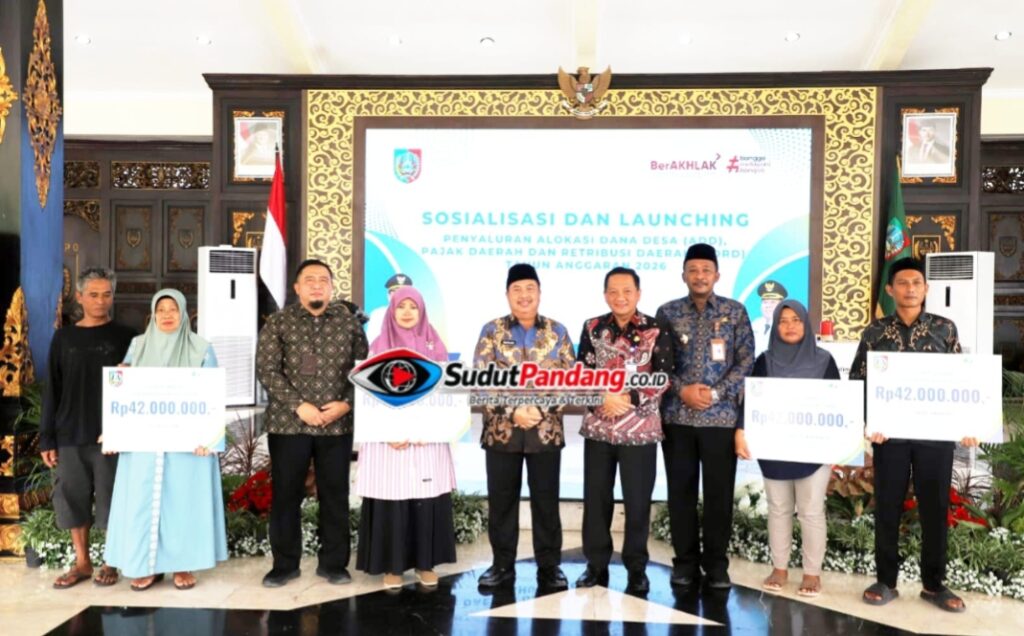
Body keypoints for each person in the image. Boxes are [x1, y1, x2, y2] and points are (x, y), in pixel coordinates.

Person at [850, 257, 977, 612]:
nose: (910, 289)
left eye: (916, 283)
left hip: (935, 435)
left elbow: (961, 380)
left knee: (935, 508)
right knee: (887, 505)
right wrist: (868, 423)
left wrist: (969, 423)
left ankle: (934, 585)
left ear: (926, 288)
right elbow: (858, 380)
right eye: (903, 283)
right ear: (890, 290)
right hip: (889, 437)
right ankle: (885, 580)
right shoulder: (874, 332)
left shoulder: (944, 329)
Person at [103, 289, 227, 591]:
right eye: (161, 310)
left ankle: (181, 565)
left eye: (173, 309)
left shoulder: (201, 348)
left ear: (183, 313)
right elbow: (123, 389)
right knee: (141, 504)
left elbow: (211, 396)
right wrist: (114, 428)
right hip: (144, 443)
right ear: (153, 315)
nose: (167, 315)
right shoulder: (138, 345)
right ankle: (146, 566)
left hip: (188, 446)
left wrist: (210, 439)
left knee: (182, 502)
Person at [256, 259, 369, 587]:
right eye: (310, 280)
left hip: (336, 424)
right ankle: (284, 565)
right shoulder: (279, 322)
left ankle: (333, 564)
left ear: (332, 287)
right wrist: (298, 405)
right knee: (285, 496)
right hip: (289, 424)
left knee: (335, 495)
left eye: (323, 280)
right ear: (297, 288)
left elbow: (365, 369)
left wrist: (347, 403)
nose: (317, 285)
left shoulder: (348, 324)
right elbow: (266, 369)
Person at [656, 243, 755, 589]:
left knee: (718, 496)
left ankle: (716, 566)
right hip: (677, 419)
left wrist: (715, 393)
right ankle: (684, 563)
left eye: (706, 270)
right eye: (693, 270)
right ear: (683, 275)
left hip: (720, 419)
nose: (700, 276)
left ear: (717, 275)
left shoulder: (734, 312)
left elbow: (746, 361)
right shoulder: (667, 313)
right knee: (680, 494)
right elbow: (657, 364)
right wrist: (682, 390)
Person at [473, 263, 576, 590]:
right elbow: (481, 380)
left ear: (539, 293)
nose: (524, 295)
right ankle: (502, 565)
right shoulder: (492, 331)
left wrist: (538, 410)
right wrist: (512, 411)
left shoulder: (557, 331)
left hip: (545, 433)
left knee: (546, 502)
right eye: (516, 289)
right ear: (507, 295)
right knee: (502, 503)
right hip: (501, 433)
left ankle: (549, 567)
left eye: (530, 288)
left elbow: (570, 380)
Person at [574, 267, 674, 594]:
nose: (620, 297)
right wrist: (601, 397)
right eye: (614, 291)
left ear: (638, 294)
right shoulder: (592, 327)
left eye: (627, 291)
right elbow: (581, 373)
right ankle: (595, 565)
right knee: (596, 500)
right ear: (605, 295)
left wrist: (628, 398)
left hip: (640, 431)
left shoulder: (656, 328)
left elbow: (664, 376)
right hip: (599, 430)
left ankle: (636, 568)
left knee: (638, 502)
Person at [735, 299, 840, 598]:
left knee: (811, 511)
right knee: (779, 509)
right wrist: (741, 431)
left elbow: (838, 403)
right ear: (776, 326)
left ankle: (812, 573)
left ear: (805, 323)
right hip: (775, 448)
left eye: (796, 320)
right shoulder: (765, 361)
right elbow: (751, 400)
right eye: (783, 321)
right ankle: (779, 568)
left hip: (814, 449)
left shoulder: (824, 360)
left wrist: (840, 445)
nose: (790, 326)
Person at [355, 286, 457, 590]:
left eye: (414, 306)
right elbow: (370, 395)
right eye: (401, 306)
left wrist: (429, 428)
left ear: (422, 311)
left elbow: (446, 394)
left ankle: (426, 563)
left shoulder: (436, 347)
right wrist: (388, 432)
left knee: (426, 498)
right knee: (392, 499)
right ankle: (393, 565)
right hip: (388, 442)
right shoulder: (378, 347)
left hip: (426, 439)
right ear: (392, 311)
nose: (408, 312)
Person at [41, 267, 136, 589]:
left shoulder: (128, 337)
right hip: (69, 431)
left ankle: (111, 561)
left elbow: (141, 384)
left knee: (112, 498)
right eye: (93, 295)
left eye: (107, 294)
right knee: (71, 497)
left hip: (112, 434)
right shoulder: (63, 338)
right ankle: (82, 562)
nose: (100, 301)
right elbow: (52, 388)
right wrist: (47, 438)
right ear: (79, 297)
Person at [365, 273, 414, 339]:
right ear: (388, 296)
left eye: (404, 292)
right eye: (395, 292)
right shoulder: (378, 315)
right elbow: (372, 341)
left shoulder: (418, 315)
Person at [751, 280, 787, 355]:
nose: (768, 306)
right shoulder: (755, 324)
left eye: (773, 302)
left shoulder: (787, 326)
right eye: (765, 302)